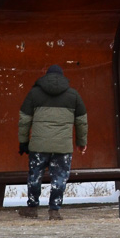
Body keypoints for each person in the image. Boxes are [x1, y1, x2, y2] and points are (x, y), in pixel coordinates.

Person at [17, 64, 87, 220]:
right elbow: (81, 121)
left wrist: (23, 142)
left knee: (35, 176)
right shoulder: (73, 95)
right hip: (63, 147)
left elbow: (24, 120)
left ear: (45, 76)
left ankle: (32, 208)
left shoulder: (34, 93)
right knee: (60, 177)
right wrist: (81, 142)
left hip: (39, 146)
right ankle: (54, 210)